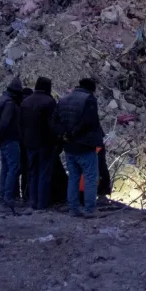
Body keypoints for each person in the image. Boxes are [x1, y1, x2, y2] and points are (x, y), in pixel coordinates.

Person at [55, 78, 103, 218]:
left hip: (69, 146)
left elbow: (54, 121)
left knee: (73, 177)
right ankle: (89, 209)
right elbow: (90, 121)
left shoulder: (63, 100)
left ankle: (73, 208)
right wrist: (74, 133)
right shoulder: (89, 100)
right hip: (85, 145)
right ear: (91, 90)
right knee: (90, 177)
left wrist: (64, 135)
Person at [20, 77, 58, 211]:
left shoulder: (26, 102)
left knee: (32, 173)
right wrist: (56, 142)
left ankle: (32, 201)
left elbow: (21, 124)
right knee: (44, 174)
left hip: (29, 143)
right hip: (45, 143)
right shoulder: (49, 102)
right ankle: (42, 204)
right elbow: (53, 125)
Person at [0, 77, 24, 212]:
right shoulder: (9, 104)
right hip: (10, 139)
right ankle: (8, 197)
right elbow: (4, 123)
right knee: (13, 168)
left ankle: (3, 195)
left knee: (5, 168)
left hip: (1, 140)